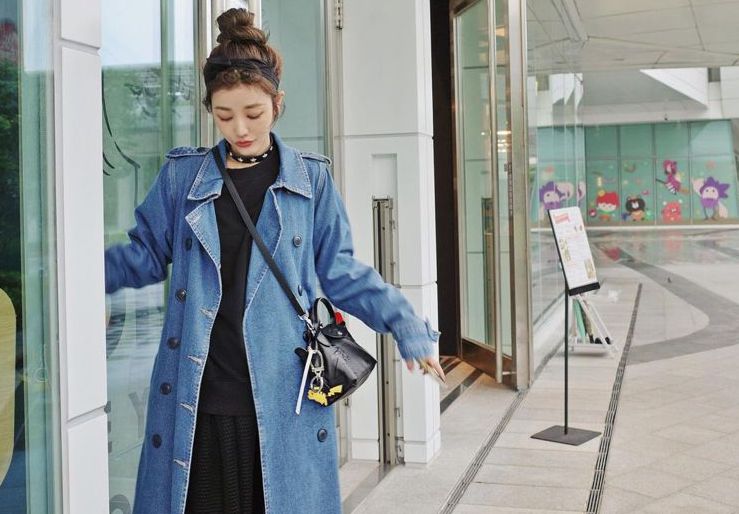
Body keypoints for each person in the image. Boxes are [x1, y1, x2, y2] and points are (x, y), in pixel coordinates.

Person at [105, 8, 444, 514]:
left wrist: (406, 325)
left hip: (282, 401)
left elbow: (342, 272)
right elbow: (145, 255)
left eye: (253, 112)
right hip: (198, 399)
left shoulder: (310, 180)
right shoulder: (183, 178)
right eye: (224, 116)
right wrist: (74, 278)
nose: (239, 128)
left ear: (277, 104)